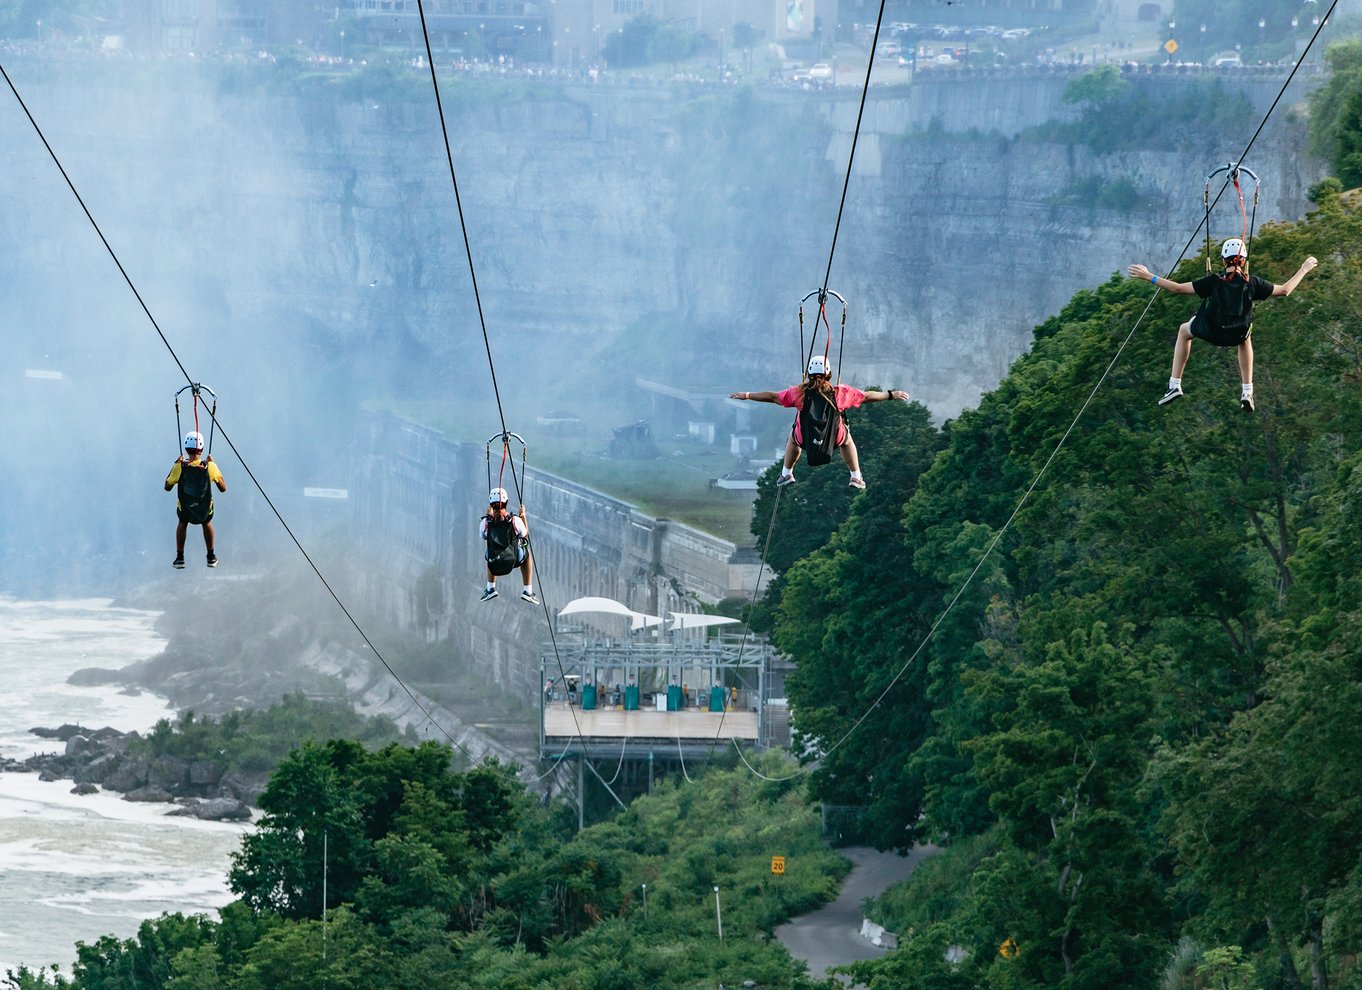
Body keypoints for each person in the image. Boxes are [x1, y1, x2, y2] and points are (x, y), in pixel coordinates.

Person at [1129, 240, 1317, 412]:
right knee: (1246, 337)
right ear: (1243, 262)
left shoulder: (1213, 282)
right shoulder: (1253, 283)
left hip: (1209, 331)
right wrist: (1304, 269)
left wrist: (1149, 276)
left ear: (1223, 261)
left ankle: (1174, 385)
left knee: (1184, 330)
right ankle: (1247, 391)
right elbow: (1285, 290)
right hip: (1236, 335)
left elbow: (1177, 288)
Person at [729, 355, 909, 489]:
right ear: (829, 374)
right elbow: (867, 396)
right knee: (847, 441)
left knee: (793, 438)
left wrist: (746, 395)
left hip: (805, 439)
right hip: (834, 438)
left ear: (809, 374)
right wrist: (890, 395)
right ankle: (855, 476)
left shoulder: (798, 393)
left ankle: (786, 474)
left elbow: (773, 396)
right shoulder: (840, 393)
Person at [164, 431, 226, 568]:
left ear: (186, 449)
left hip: (185, 510)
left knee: (182, 522)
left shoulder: (179, 467)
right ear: (202, 449)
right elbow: (223, 488)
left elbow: (167, 486)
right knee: (207, 522)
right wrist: (214, 464)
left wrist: (175, 464)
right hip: (205, 510)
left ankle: (180, 557)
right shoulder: (209, 467)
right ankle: (211, 555)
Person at [480, 487, 538, 603]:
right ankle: (528, 591)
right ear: (507, 503)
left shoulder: (486, 523)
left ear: (490, 505)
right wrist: (523, 515)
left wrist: (488, 516)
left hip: (495, 563)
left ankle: (490, 588)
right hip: (514, 560)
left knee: (490, 551)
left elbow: (484, 536)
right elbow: (525, 534)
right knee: (527, 555)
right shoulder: (515, 520)